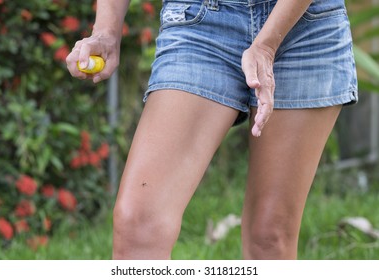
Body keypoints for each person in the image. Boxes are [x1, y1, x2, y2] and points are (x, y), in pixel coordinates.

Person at [66, 0, 358, 259]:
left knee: (270, 237)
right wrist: (106, 29)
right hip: (201, 21)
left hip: (303, 24)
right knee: (138, 224)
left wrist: (266, 45)